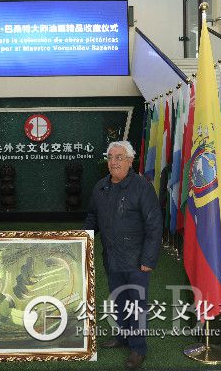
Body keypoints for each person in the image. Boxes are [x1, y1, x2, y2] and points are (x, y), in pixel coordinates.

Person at [84, 141, 162, 370]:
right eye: (110, 157)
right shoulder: (100, 187)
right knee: (119, 299)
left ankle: (138, 348)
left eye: (119, 157)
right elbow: (92, 217)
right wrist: (81, 239)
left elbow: (154, 225)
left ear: (130, 160)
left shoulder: (142, 187)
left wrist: (148, 260)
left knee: (137, 303)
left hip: (137, 260)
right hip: (112, 257)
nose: (114, 162)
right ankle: (122, 336)